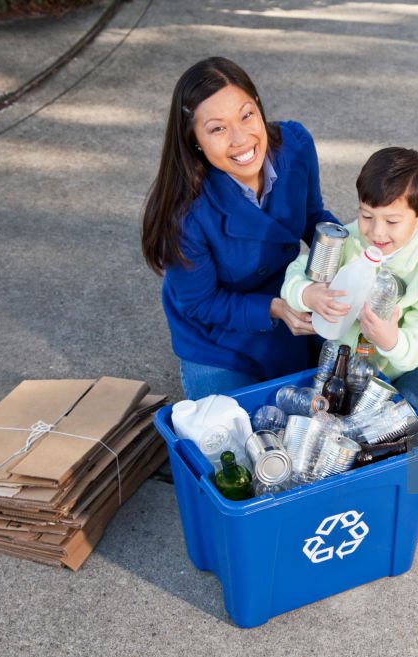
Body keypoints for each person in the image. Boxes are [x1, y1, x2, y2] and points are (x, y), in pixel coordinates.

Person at [142, 57, 340, 400]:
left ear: (259, 107)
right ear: (194, 141)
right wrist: (276, 308)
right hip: (217, 336)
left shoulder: (295, 145)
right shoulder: (183, 215)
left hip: (291, 297)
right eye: (217, 128)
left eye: (247, 115)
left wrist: (358, 253)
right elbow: (202, 303)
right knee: (234, 439)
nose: (240, 139)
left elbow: (312, 216)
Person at [280, 147, 418, 528]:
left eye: (392, 221)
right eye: (366, 216)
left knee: (410, 421)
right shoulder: (348, 243)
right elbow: (300, 271)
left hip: (405, 362)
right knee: (336, 419)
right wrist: (307, 294)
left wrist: (393, 340)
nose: (377, 232)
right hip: (354, 359)